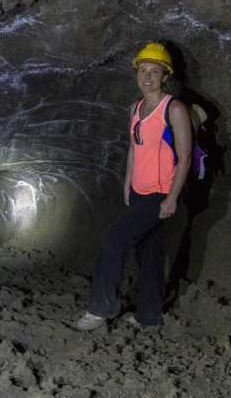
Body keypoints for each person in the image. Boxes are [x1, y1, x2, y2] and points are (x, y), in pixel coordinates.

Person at [77, 42, 192, 330]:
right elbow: (134, 147)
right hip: (140, 192)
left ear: (166, 76)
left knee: (113, 241)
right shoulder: (136, 108)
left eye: (155, 71)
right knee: (149, 254)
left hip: (160, 194)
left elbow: (186, 156)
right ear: (136, 73)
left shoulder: (174, 109)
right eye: (143, 70)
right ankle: (149, 317)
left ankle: (101, 308)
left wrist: (172, 198)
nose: (148, 76)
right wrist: (127, 181)